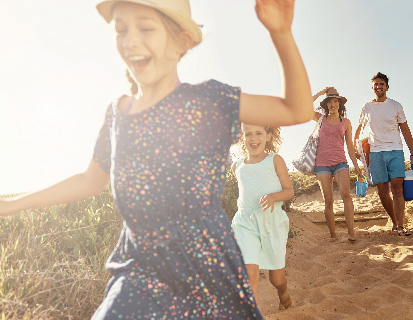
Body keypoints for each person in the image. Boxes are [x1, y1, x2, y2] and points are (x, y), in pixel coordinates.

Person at [0, 0, 312, 318]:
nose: (130, 39)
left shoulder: (209, 101)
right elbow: (88, 180)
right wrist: (9, 205)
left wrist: (281, 32)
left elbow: (296, 110)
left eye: (146, 28)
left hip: (208, 273)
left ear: (181, 41)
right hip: (138, 271)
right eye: (121, 30)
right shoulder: (117, 115)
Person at [231, 123, 293, 310]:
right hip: (245, 223)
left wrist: (274, 197)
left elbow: (289, 191)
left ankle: (284, 296)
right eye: (248, 134)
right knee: (249, 275)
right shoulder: (238, 165)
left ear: (268, 136)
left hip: (271, 223)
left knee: (277, 278)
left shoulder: (275, 160)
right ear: (242, 137)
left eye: (259, 133)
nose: (253, 138)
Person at [354, 72, 413, 236]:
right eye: (375, 84)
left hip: (395, 150)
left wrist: (412, 152)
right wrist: (356, 148)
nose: (378, 87)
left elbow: (405, 129)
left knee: (397, 188)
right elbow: (359, 129)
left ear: (387, 87)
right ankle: (395, 221)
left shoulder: (396, 105)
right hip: (375, 152)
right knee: (382, 190)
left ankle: (401, 225)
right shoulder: (367, 107)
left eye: (381, 84)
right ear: (372, 87)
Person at [312, 87, 365, 242]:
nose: (333, 104)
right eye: (330, 101)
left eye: (336, 101)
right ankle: (333, 235)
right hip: (322, 164)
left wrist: (356, 166)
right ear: (326, 105)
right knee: (328, 201)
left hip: (340, 162)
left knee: (346, 194)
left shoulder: (346, 123)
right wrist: (322, 92)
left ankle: (351, 233)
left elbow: (349, 146)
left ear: (340, 104)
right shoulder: (320, 119)